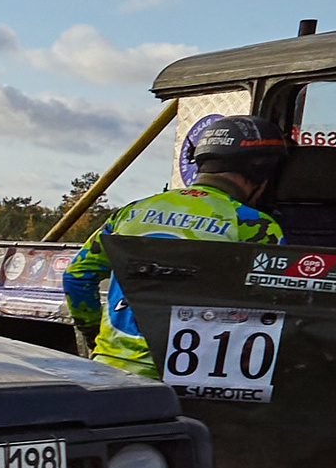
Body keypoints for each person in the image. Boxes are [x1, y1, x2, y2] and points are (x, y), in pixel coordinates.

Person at [64, 114, 288, 378]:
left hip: (110, 367)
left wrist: (94, 336)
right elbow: (275, 306)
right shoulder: (252, 224)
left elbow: (76, 277)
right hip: (190, 376)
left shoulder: (132, 212)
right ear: (260, 171)